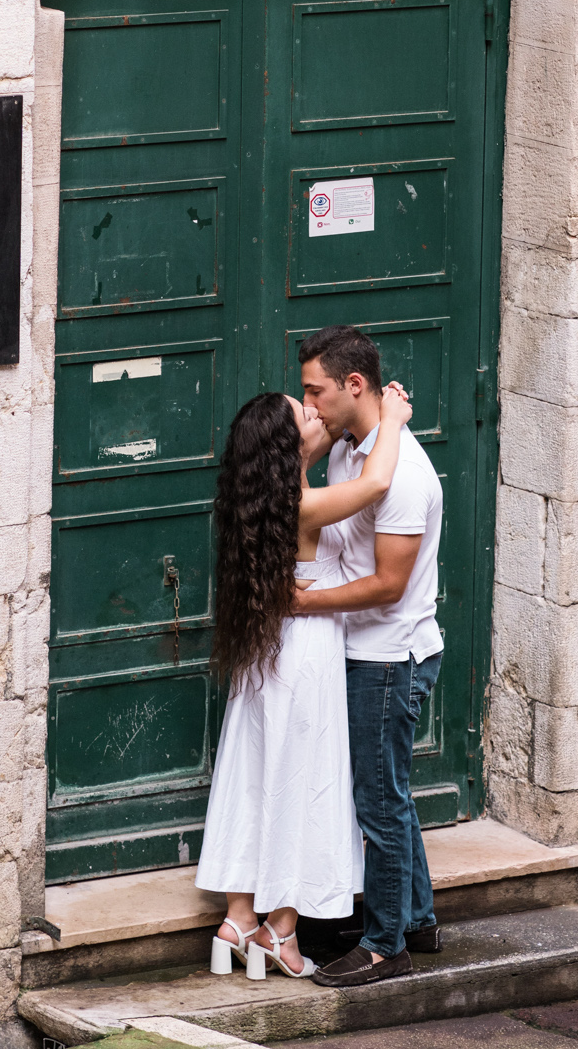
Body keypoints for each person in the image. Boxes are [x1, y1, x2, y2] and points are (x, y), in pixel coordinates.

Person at [195, 381, 415, 979]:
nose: (314, 410)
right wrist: (392, 420)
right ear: (287, 450)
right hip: (306, 655)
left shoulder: (258, 504)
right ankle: (282, 932)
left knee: (255, 773)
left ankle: (237, 920)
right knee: (303, 779)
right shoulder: (304, 506)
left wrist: (305, 454)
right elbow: (375, 484)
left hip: (262, 658)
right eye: (304, 414)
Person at [294, 324, 444, 986]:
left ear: (354, 386)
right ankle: (415, 917)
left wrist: (299, 606)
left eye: (315, 392)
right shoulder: (351, 447)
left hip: (387, 656)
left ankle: (385, 946)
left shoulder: (404, 475)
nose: (309, 406)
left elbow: (388, 585)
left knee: (377, 803)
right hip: (359, 648)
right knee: (390, 794)